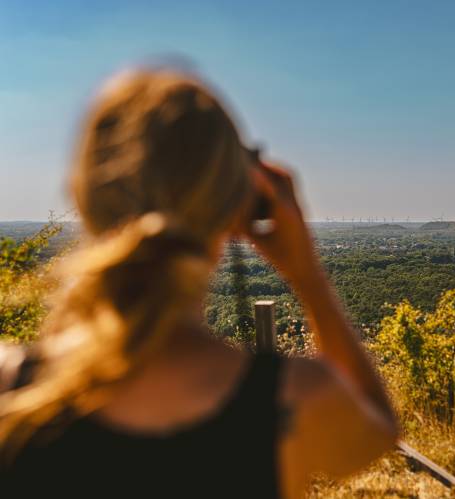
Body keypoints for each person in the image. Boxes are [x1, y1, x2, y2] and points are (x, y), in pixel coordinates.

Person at [0, 68, 399, 497]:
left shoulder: (12, 388)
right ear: (238, 210)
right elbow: (377, 432)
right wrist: (307, 275)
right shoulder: (294, 398)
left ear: (82, 195)